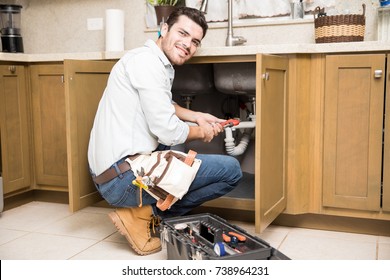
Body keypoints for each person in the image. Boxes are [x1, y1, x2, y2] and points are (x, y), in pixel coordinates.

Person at [87, 7, 242, 256]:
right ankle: (147, 215)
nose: (187, 44)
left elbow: (162, 104)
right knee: (231, 171)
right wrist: (200, 132)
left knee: (172, 150)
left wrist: (196, 116)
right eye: (183, 33)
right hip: (121, 180)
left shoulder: (151, 59)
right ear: (164, 28)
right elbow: (168, 131)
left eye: (195, 41)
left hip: (113, 171)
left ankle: (141, 210)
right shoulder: (147, 63)